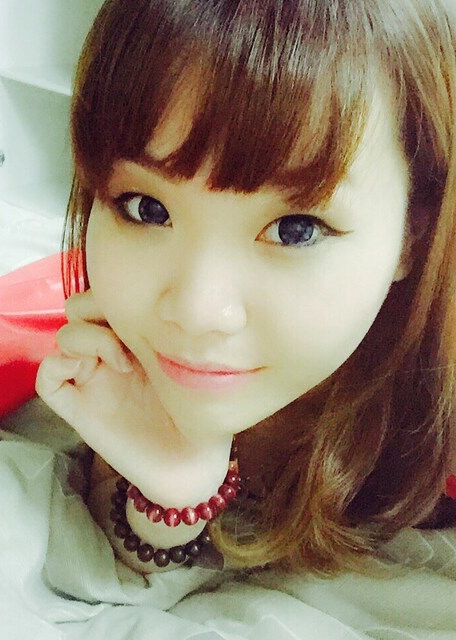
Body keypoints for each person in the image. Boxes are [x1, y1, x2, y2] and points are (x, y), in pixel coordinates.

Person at [35, 0, 456, 576]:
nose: (196, 311)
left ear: (414, 233)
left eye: (295, 229)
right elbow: (128, 561)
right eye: (146, 208)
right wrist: (173, 484)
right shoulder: (117, 359)